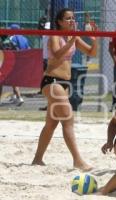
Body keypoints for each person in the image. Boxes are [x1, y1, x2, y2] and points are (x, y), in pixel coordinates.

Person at [32, 8, 98, 171]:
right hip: (51, 81)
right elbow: (57, 54)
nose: (72, 21)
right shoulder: (55, 36)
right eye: (68, 19)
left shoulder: (72, 37)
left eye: (73, 18)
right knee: (68, 119)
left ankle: (37, 159)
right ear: (60, 22)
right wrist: (73, 38)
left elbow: (92, 52)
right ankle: (77, 160)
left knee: (51, 124)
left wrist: (94, 39)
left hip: (64, 83)